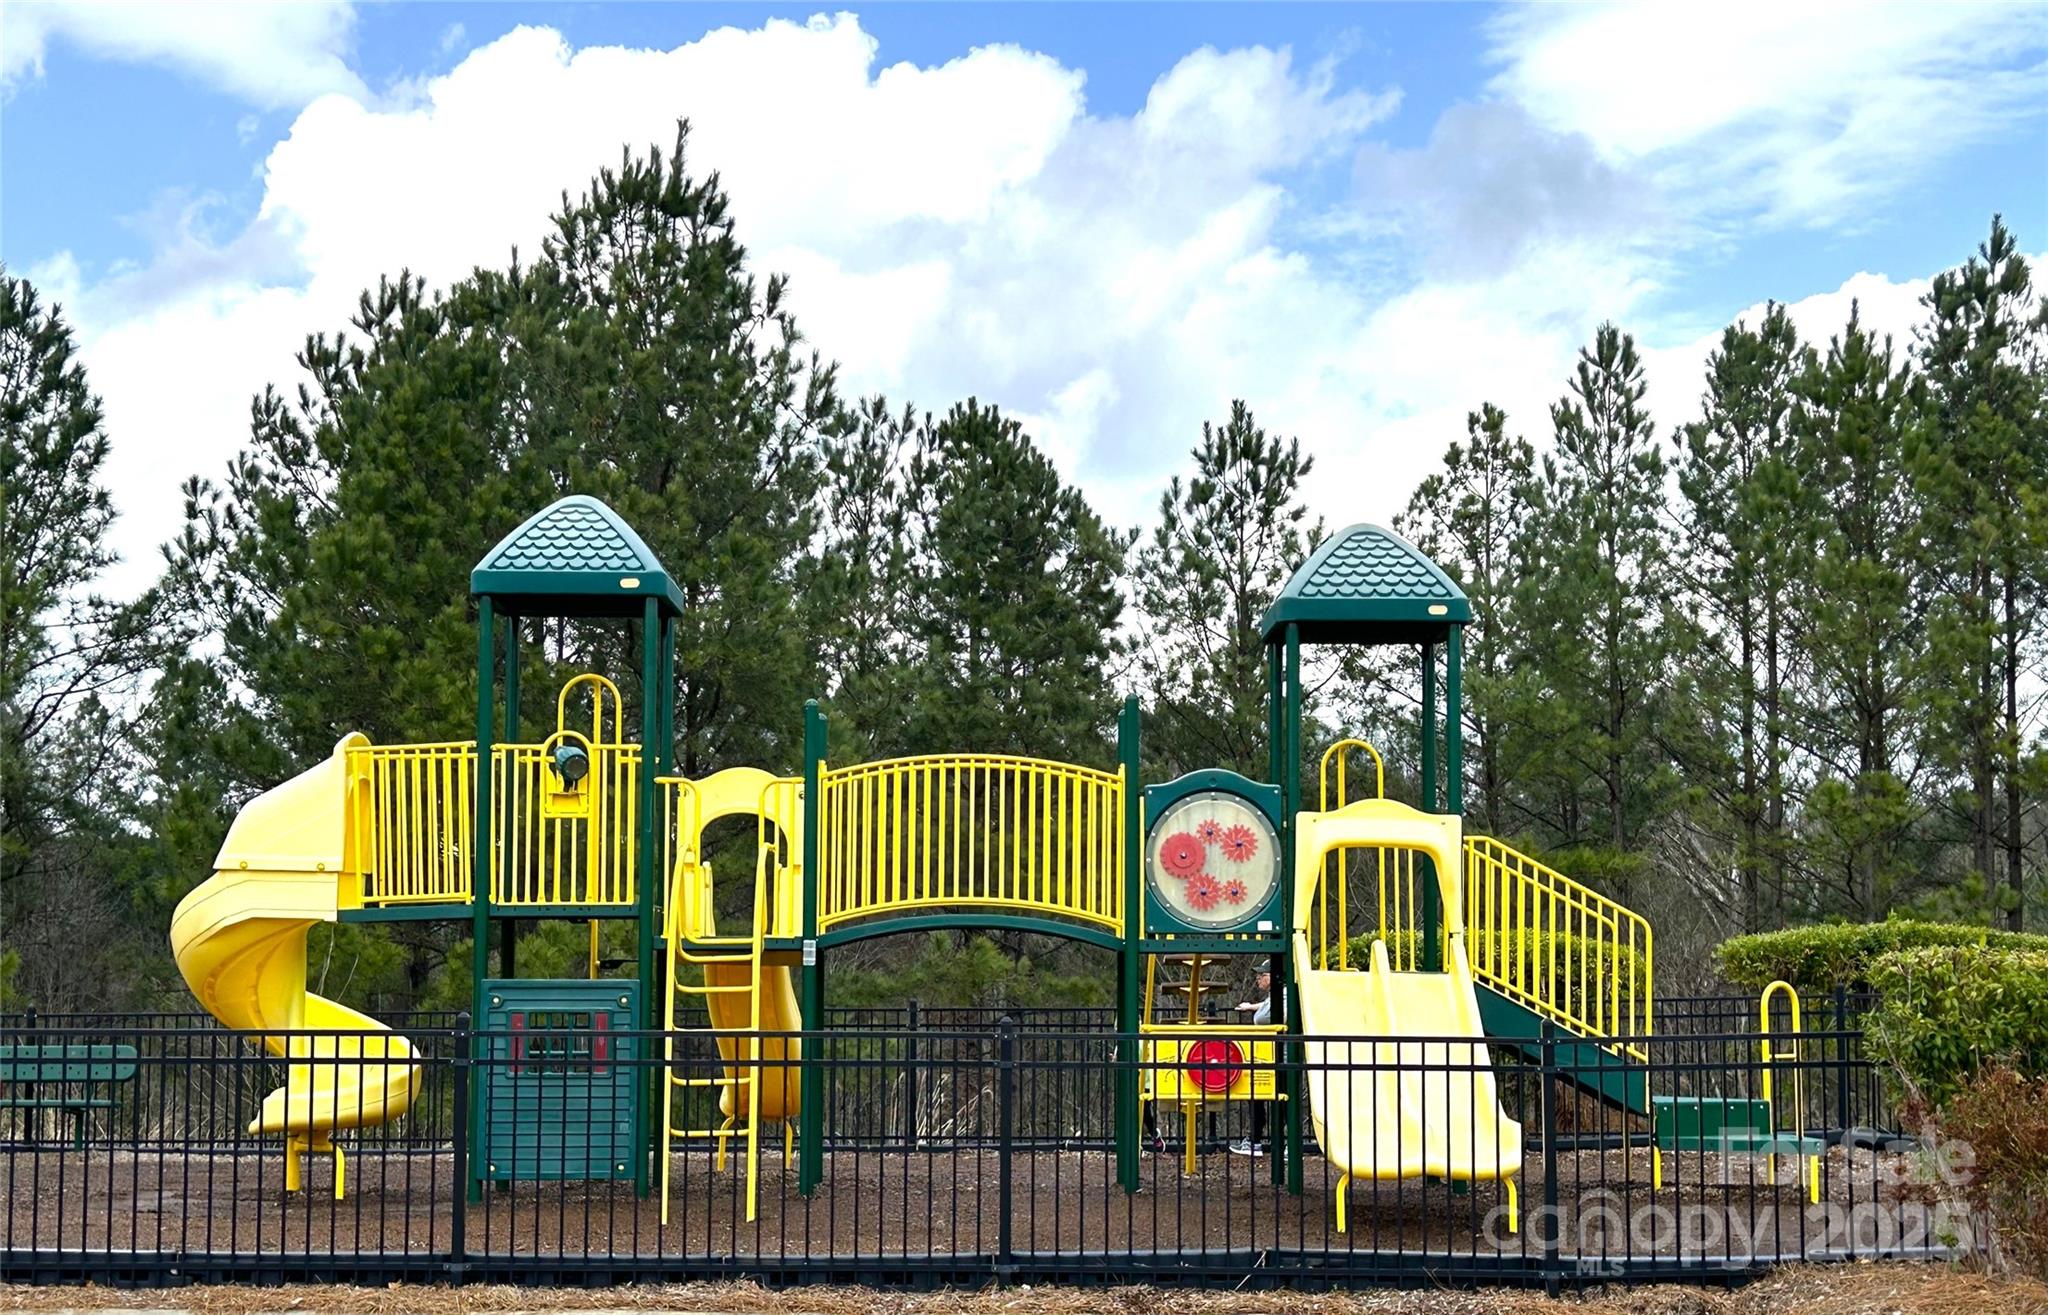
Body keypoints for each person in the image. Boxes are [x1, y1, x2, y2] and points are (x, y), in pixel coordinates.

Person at [1229, 962, 1275, 1156]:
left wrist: (1255, 1013)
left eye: (1261, 975)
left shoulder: (1284, 995)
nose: (1258, 979)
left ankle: (1263, 1141)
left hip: (1274, 1056)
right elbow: (1266, 1006)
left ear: (1272, 976)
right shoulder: (1275, 996)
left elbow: (1264, 1016)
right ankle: (1254, 1140)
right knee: (1256, 1095)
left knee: (1274, 1098)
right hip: (1266, 1055)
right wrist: (1250, 1007)